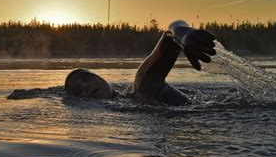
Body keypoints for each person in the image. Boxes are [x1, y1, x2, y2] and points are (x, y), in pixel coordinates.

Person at [64, 20, 216, 105]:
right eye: (77, 90)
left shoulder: (140, 86)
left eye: (86, 78)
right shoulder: (134, 97)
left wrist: (183, 34)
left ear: (102, 79)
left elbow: (171, 30)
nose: (84, 86)